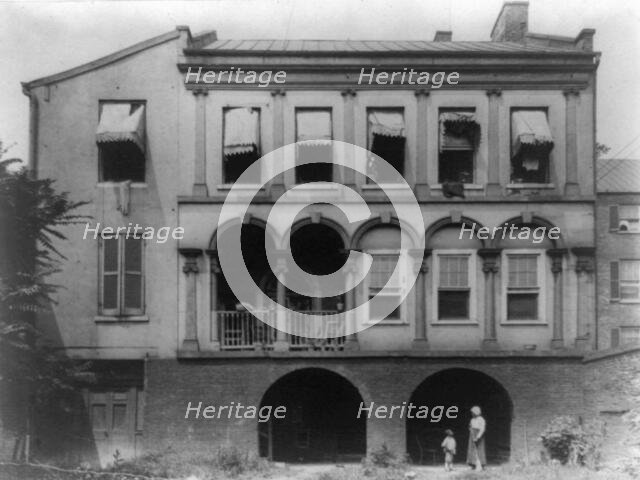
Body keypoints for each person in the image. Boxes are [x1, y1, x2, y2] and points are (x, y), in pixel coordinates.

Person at [466, 405, 486, 471]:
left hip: (478, 435)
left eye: (473, 412)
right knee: (472, 449)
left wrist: (478, 437)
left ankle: (481, 464)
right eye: (471, 413)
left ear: (476, 412)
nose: (472, 414)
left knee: (479, 450)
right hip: (472, 435)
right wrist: (470, 429)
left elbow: (482, 429)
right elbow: (470, 426)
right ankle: (473, 464)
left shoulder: (481, 419)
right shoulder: (472, 420)